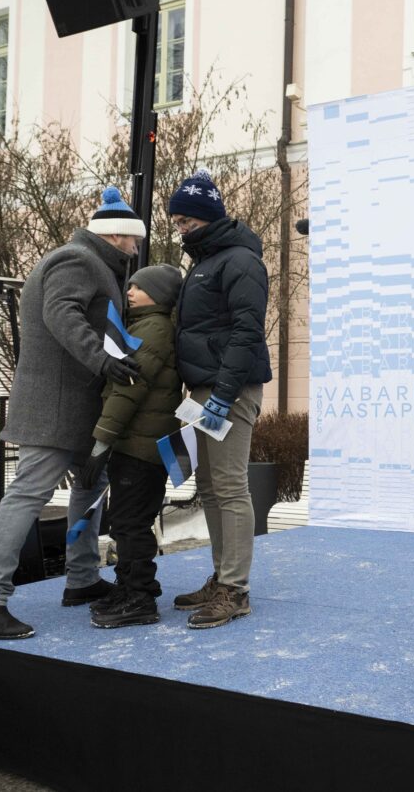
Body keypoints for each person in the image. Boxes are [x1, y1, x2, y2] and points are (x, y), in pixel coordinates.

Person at [0, 187, 144, 639]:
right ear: (116, 236)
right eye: (133, 240)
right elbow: (61, 314)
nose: (137, 248)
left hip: (79, 408)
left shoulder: (95, 263)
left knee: (90, 487)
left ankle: (81, 579)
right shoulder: (77, 260)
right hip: (58, 408)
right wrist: (103, 362)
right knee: (28, 493)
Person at [167, 168, 271, 629]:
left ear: (208, 216)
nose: (181, 228)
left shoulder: (240, 261)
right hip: (205, 389)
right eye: (177, 221)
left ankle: (236, 589)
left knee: (230, 487)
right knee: (208, 487)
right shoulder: (205, 261)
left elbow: (247, 332)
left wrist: (223, 396)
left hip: (230, 389)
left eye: (187, 220)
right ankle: (221, 576)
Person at [81, 264, 183, 628]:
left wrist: (101, 441)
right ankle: (129, 588)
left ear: (158, 294)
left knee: (132, 523)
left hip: (141, 448)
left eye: (138, 286)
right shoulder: (142, 326)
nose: (129, 290)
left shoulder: (154, 330)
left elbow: (129, 388)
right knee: (124, 522)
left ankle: (140, 597)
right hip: (136, 445)